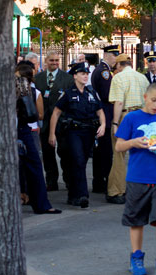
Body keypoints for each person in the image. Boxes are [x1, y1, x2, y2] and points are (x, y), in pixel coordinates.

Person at [115, 83, 156, 275]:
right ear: (145, 97)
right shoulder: (132, 118)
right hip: (137, 176)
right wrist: (134, 142)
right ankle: (136, 257)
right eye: (154, 100)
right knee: (136, 218)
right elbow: (119, 146)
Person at [49, 63, 106, 208]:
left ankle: (73, 195)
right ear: (75, 76)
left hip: (88, 132)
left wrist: (103, 125)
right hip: (73, 131)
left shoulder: (91, 93)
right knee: (78, 160)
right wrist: (52, 134)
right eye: (82, 73)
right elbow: (56, 113)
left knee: (80, 162)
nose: (85, 76)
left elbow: (100, 112)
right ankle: (82, 195)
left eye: (86, 74)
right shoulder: (68, 93)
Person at [15, 62, 62, 215]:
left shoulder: (4, 84)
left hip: (11, 129)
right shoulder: (24, 85)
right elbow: (32, 114)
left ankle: (32, 200)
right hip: (22, 129)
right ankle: (41, 204)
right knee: (34, 166)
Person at [106, 53, 149, 204]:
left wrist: (115, 123)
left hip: (126, 116)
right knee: (140, 154)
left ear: (118, 65)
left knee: (119, 155)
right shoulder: (142, 78)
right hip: (142, 117)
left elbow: (118, 102)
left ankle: (117, 191)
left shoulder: (118, 78)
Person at [34, 51, 74, 191]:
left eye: (57, 60)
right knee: (47, 153)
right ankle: (51, 181)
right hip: (44, 122)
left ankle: (69, 180)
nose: (55, 63)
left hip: (61, 122)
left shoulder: (68, 79)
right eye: (52, 60)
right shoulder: (37, 78)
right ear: (46, 61)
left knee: (64, 152)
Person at [90, 44, 120, 194]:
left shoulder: (102, 70)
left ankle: (99, 181)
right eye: (114, 55)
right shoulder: (104, 72)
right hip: (105, 116)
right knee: (105, 152)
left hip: (103, 115)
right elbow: (109, 95)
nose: (116, 59)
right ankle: (103, 181)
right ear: (107, 55)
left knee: (101, 151)